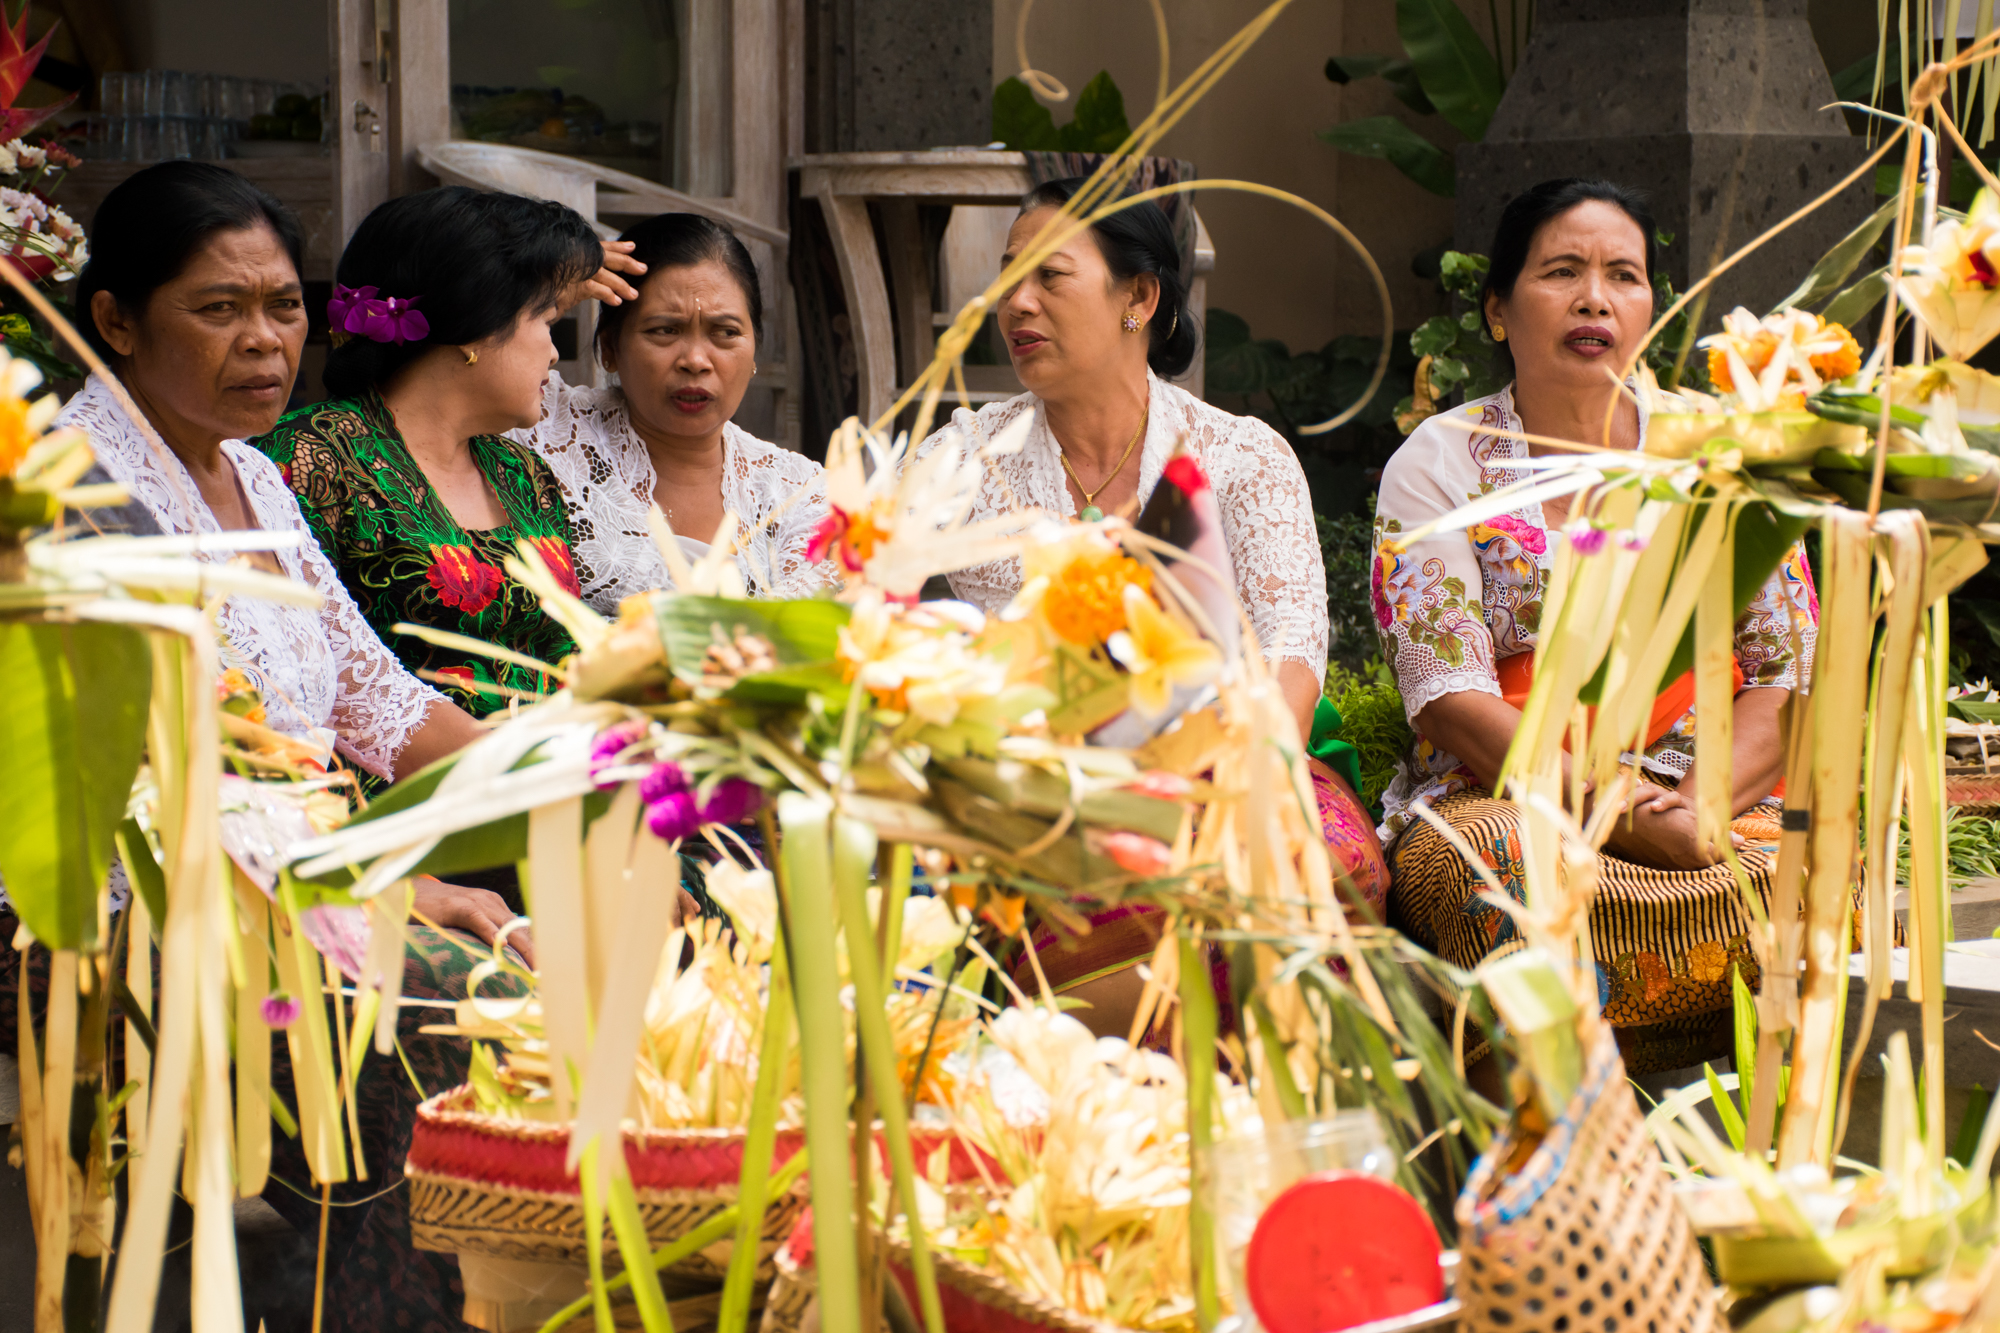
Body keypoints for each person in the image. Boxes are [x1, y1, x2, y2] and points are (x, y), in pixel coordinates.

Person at [6, 161, 532, 1333]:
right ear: (115, 321)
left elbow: (373, 698)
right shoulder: (71, 487)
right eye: (219, 308)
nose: (264, 341)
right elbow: (175, 778)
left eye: (284, 307)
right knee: (437, 1025)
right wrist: (405, 892)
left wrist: (573, 784)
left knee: (572, 942)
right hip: (112, 908)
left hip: (289, 885)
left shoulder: (255, 476)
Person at [912, 178, 1386, 1036]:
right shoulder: (966, 455)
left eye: (1049, 277)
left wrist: (1258, 775)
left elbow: (1291, 636)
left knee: (1312, 865)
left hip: (1237, 754)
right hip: (1047, 783)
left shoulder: (1240, 452)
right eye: (1008, 276)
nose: (1015, 303)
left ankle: (1285, 1124)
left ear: (1139, 296)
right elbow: (863, 591)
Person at [1373, 178, 1819, 1075]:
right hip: (1513, 788)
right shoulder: (1440, 462)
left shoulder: (1719, 448)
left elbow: (1787, 673)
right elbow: (1450, 700)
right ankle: (1548, 1148)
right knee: (1496, 872)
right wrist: (1616, 810)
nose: (1594, 298)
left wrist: (1694, 813)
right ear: (1498, 311)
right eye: (1561, 272)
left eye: (1624, 274)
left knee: (1819, 858)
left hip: (1714, 791)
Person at [254, 187, 600, 715]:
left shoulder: (523, 474)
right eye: (547, 321)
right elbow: (283, 672)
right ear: (477, 323)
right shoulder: (310, 458)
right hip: (396, 789)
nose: (554, 352)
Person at [515, 212, 833, 612]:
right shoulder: (542, 426)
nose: (696, 360)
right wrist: (540, 289)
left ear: (755, 349)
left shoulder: (797, 491)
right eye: (665, 330)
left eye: (725, 333)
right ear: (610, 348)